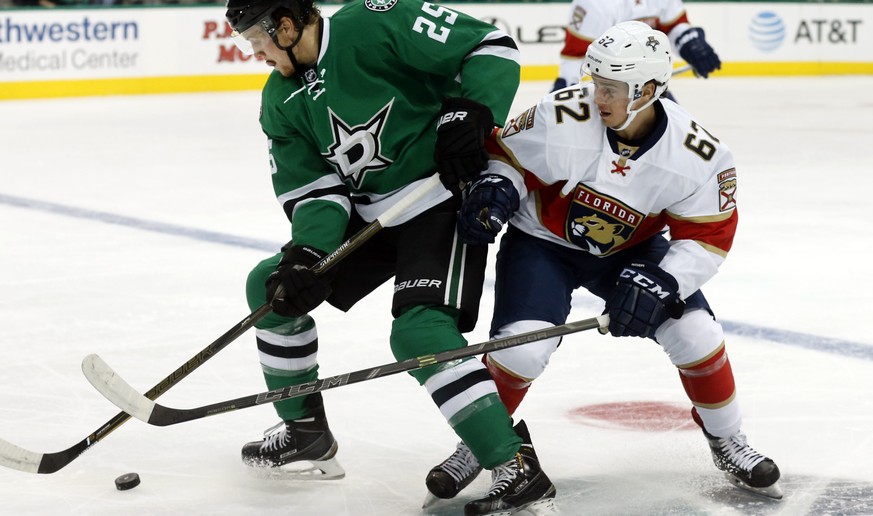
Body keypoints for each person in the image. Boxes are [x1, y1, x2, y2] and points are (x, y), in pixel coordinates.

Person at [425, 21, 782, 503]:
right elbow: (506, 155)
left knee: (698, 334)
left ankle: (727, 438)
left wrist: (667, 279)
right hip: (541, 242)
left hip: (633, 252)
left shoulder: (699, 153)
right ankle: (481, 443)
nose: (598, 97)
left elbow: (708, 236)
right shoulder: (564, 114)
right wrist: (499, 186)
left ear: (650, 89)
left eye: (612, 88)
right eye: (597, 83)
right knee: (521, 351)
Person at [225, 0, 556, 513]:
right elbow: (315, 191)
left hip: (441, 198)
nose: (258, 54)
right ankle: (303, 429)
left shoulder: (375, 22)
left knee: (419, 332)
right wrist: (308, 252)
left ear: (286, 26)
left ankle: (514, 464)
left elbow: (491, 48)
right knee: (273, 287)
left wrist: (471, 109)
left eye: (259, 41)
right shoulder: (281, 99)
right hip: (369, 215)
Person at [551, 0, 721, 92]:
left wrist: (691, 44)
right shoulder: (595, 4)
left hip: (649, 83)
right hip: (607, 88)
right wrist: (568, 88)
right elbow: (577, 56)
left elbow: (673, 27)